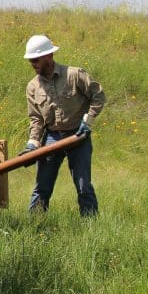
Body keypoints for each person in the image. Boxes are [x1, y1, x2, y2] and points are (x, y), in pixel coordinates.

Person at [22, 34, 105, 217]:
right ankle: (35, 226)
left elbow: (98, 96)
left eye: (36, 59)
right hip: (52, 137)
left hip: (78, 135)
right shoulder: (32, 87)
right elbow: (36, 119)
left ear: (49, 57)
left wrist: (88, 121)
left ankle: (90, 226)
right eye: (30, 60)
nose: (33, 64)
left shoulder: (75, 75)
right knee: (42, 187)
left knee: (83, 186)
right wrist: (33, 143)